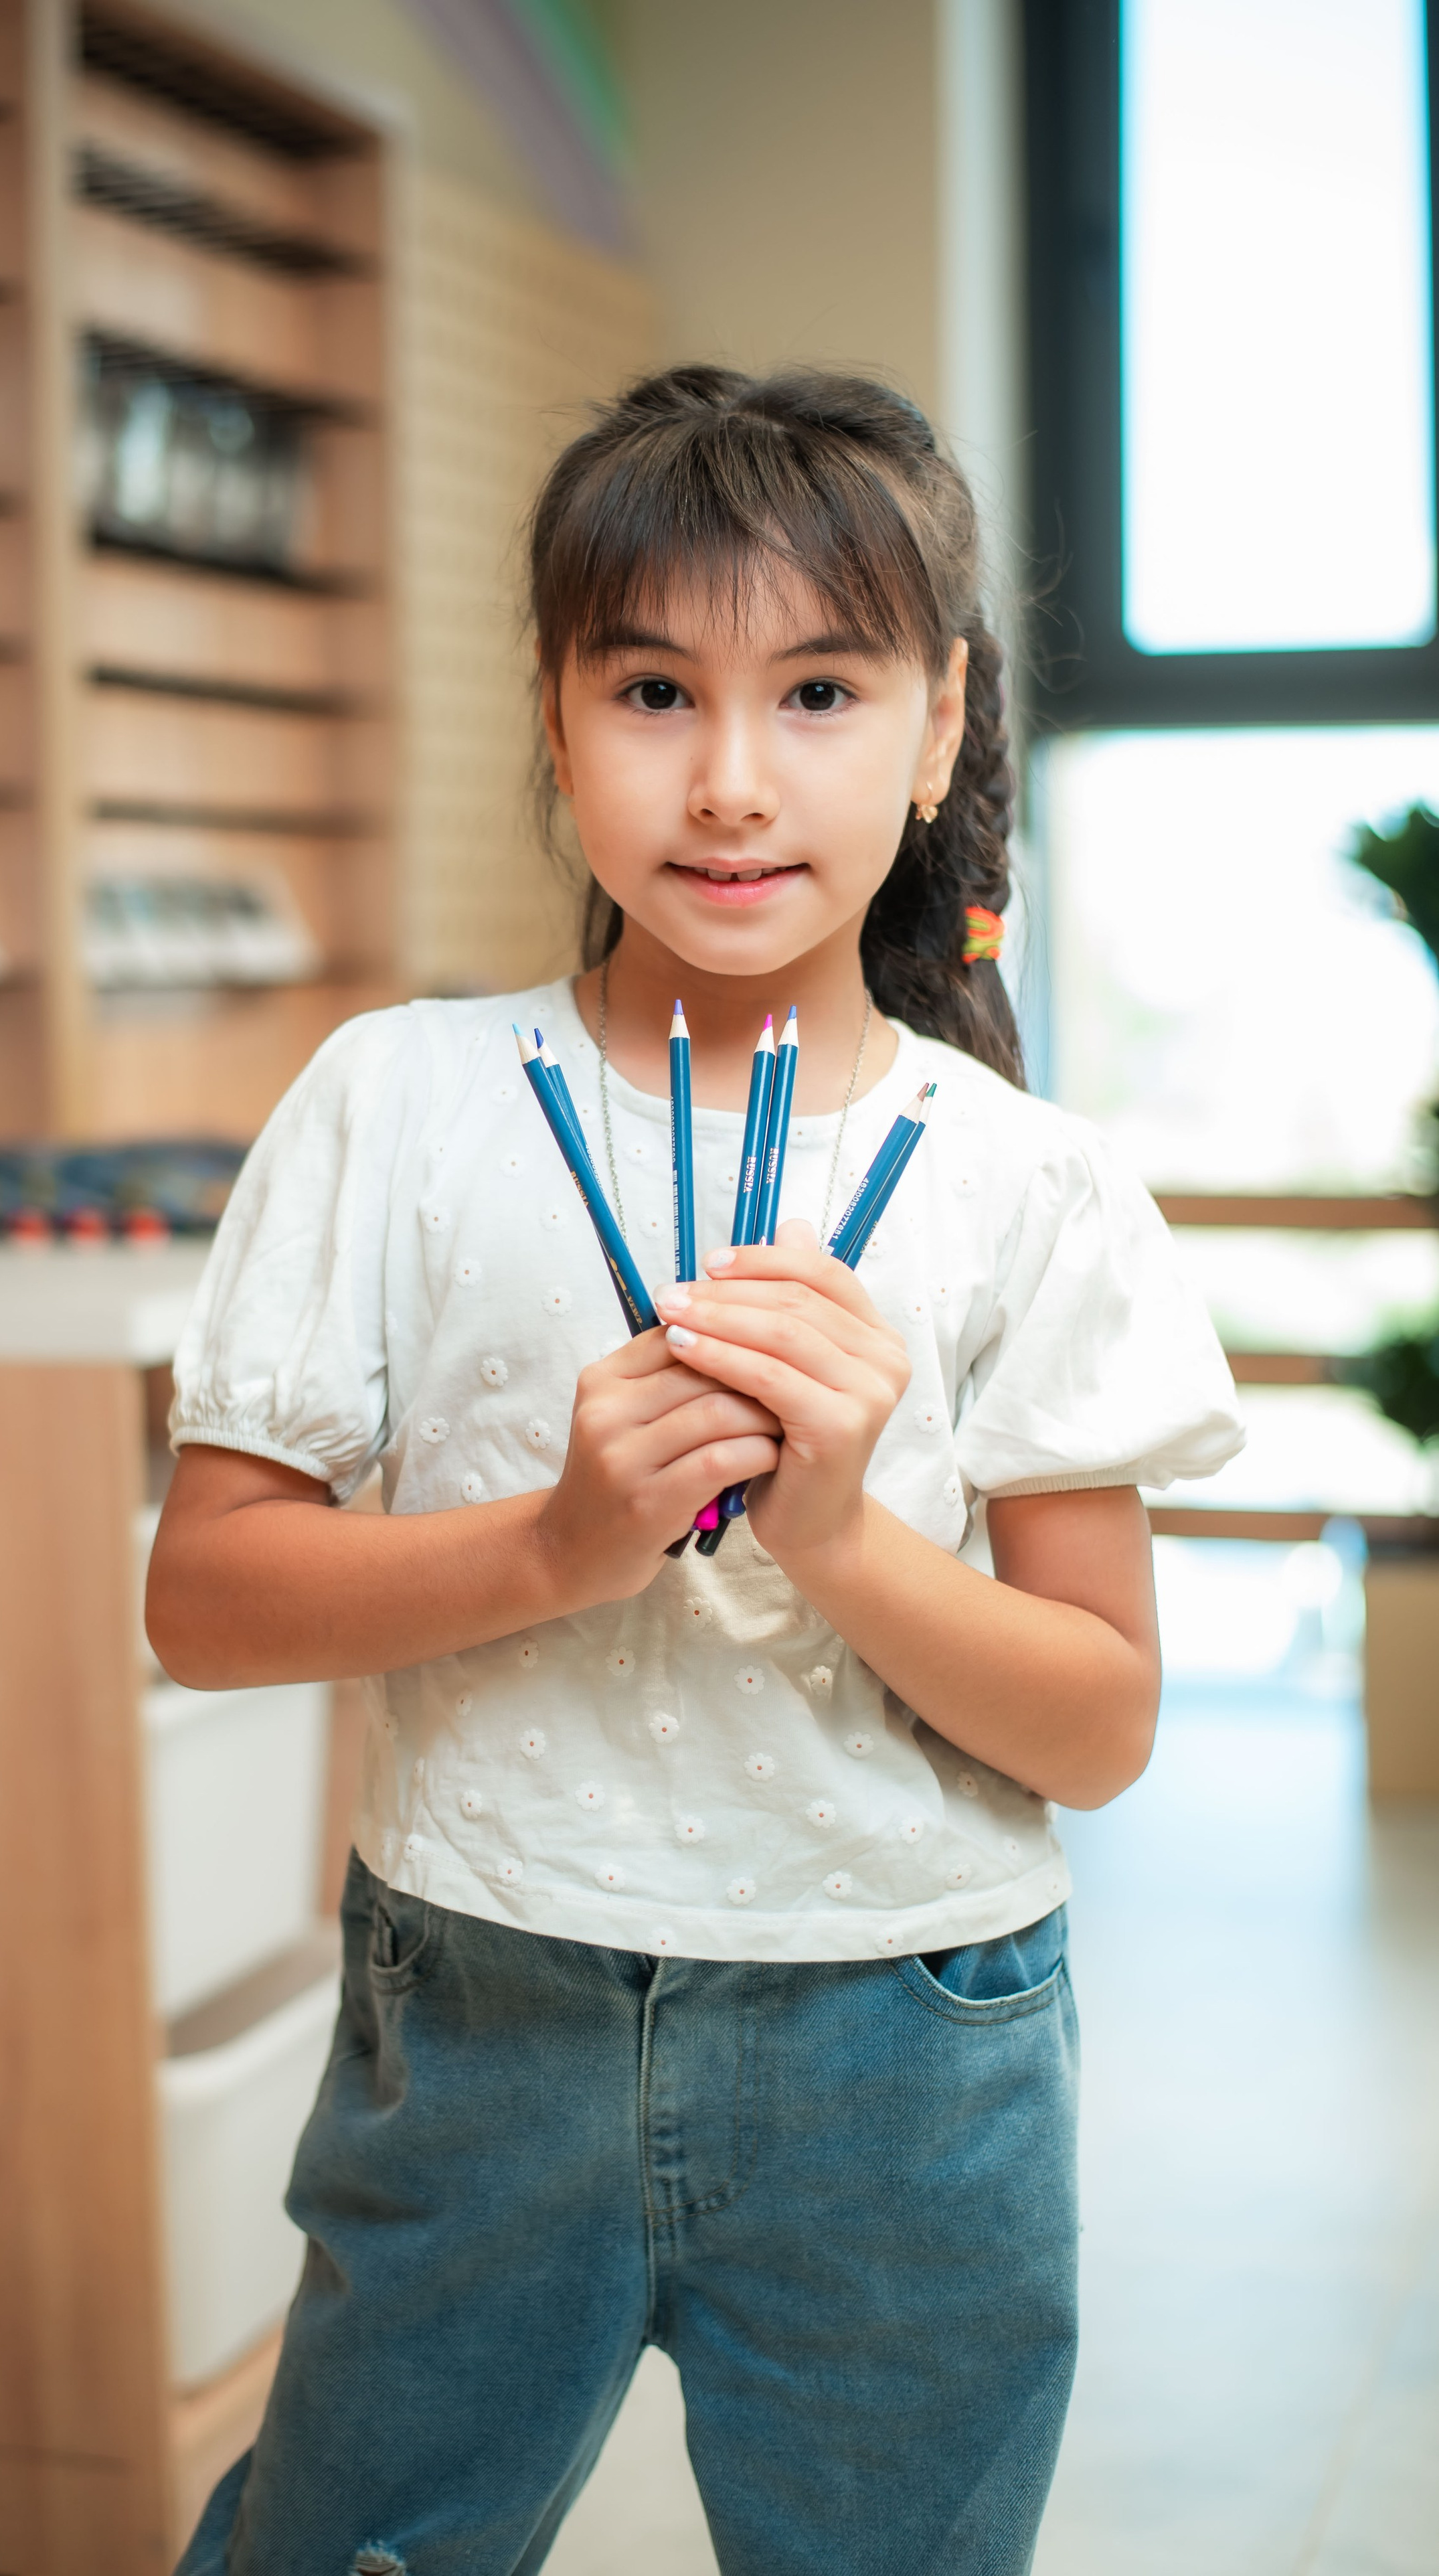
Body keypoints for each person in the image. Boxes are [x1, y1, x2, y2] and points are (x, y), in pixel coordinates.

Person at [150, 365, 1244, 2576]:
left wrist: (836, 1533)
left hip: (909, 2044)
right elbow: (210, 1597)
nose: (733, 782)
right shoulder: (399, 1102)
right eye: (655, 686)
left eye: (821, 690)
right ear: (556, 722)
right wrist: (563, 1541)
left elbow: (1102, 1722)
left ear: (940, 733)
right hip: (478, 1996)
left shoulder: (1030, 1189)